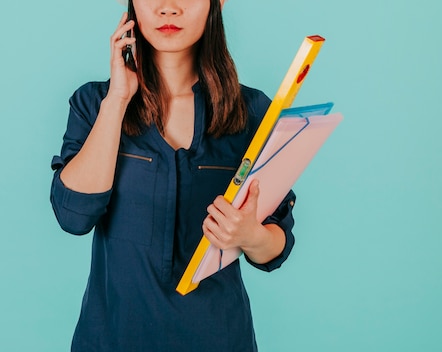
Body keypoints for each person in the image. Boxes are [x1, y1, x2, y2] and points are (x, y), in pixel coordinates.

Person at [50, 0, 296, 350]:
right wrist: (118, 99)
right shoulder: (95, 104)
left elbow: (277, 243)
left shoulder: (253, 113)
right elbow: (73, 215)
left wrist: (249, 234)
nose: (168, 8)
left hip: (218, 337)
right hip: (112, 338)